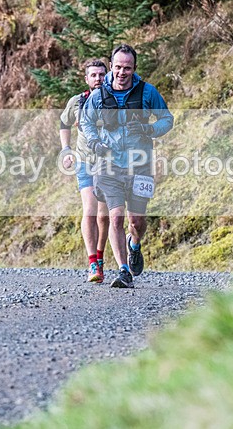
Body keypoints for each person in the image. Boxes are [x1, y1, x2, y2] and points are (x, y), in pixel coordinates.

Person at [80, 44, 174, 288]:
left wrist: (149, 129)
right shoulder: (99, 95)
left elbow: (167, 119)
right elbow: (86, 122)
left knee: (137, 221)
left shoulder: (147, 92)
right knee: (115, 217)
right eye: (118, 67)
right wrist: (94, 141)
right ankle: (123, 271)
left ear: (134, 69)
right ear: (111, 66)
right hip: (108, 166)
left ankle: (135, 245)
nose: (122, 72)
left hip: (140, 165)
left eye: (128, 68)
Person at [60, 58, 111, 283]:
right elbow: (64, 124)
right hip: (84, 162)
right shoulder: (77, 102)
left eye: (102, 74)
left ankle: (100, 257)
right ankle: (92, 263)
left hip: (109, 164)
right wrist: (66, 150)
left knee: (104, 215)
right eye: (94, 75)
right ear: (87, 78)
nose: (98, 78)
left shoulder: (114, 100)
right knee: (89, 210)